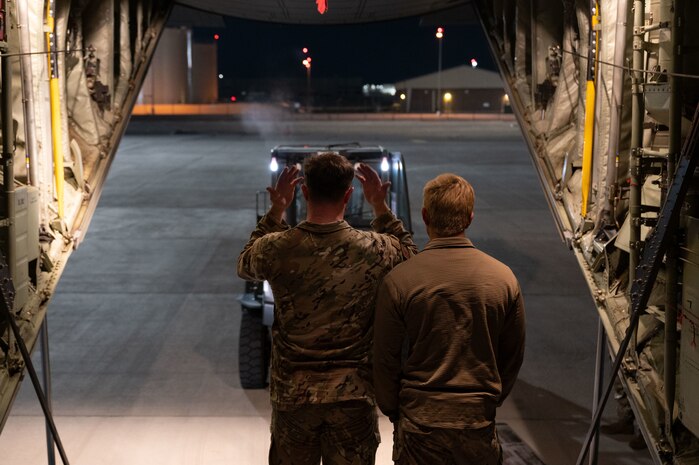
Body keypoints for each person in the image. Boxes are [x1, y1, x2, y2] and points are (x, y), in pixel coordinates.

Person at [238, 152, 417, 465]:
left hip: (294, 397)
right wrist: (379, 205)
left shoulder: (276, 247)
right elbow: (412, 257)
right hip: (353, 396)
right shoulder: (374, 249)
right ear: (349, 194)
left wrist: (277, 209)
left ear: (304, 192)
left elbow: (245, 263)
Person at [373, 173, 526, 465]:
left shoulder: (399, 280)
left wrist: (396, 410)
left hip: (420, 423)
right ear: (469, 218)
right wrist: (488, 400)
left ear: (425, 215)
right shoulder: (503, 278)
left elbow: (384, 359)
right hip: (477, 422)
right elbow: (512, 355)